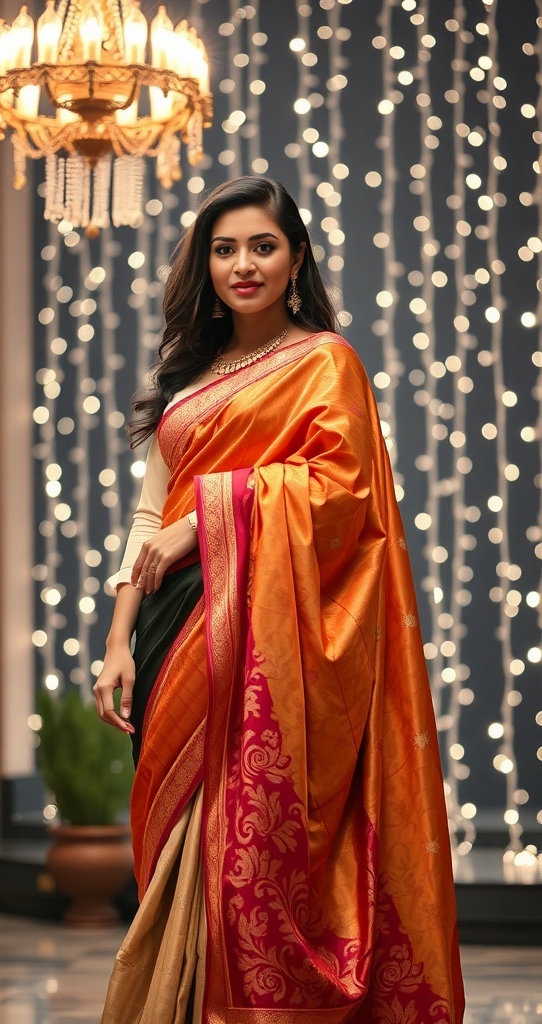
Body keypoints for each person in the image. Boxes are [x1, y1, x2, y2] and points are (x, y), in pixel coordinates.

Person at [94, 176, 464, 1024]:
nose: (243, 265)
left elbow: (342, 493)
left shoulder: (326, 363)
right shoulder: (187, 377)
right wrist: (116, 640)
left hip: (262, 637)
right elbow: (148, 517)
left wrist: (207, 522)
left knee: (241, 840)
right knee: (175, 835)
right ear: (206, 264)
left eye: (262, 246)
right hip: (170, 631)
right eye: (225, 249)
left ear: (296, 258)